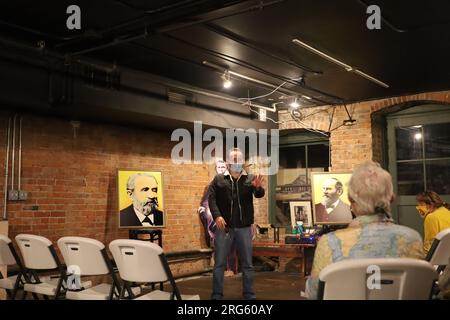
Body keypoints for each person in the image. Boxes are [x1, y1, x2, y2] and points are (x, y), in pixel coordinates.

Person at [305, 161, 424, 299]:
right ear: (392, 198)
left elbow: (314, 294)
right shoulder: (413, 239)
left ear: (350, 199)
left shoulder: (329, 243)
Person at [208, 148, 265, 300]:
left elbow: (259, 194)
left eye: (239, 160)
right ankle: (217, 295)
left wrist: (258, 187)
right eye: (233, 160)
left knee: (247, 264)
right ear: (227, 163)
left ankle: (249, 294)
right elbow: (211, 199)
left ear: (242, 162)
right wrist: (217, 216)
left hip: (244, 228)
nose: (236, 163)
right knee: (219, 264)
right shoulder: (218, 179)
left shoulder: (249, 178)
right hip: (224, 229)